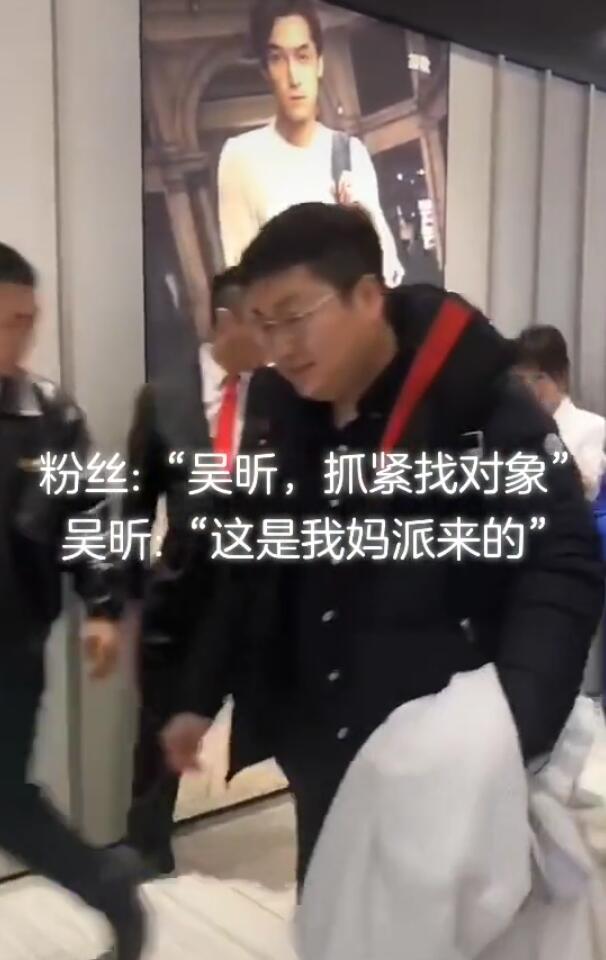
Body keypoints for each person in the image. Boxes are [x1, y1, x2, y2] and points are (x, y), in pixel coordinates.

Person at [162, 204, 604, 894]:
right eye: (264, 324)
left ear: (367, 297)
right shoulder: (282, 408)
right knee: (336, 919)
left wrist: (510, 729)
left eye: (295, 316)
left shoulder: (475, 403)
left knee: (434, 925)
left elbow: (561, 565)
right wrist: (198, 694)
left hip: (440, 753)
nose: (280, 346)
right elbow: (250, 558)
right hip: (320, 749)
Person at [0, 242, 145, 960]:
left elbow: (89, 516)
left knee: (5, 801)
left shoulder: (49, 415)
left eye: (27, 321)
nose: (20, 339)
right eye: (6, 322)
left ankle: (109, 888)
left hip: (10, 644)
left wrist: (105, 608)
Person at [124, 266, 277, 876]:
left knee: (284, 712)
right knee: (159, 726)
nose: (271, 338)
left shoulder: (282, 398)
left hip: (261, 584)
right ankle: (146, 848)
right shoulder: (164, 398)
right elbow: (135, 508)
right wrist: (126, 601)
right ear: (224, 321)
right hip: (183, 590)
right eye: (260, 323)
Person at [218, 0, 403, 287]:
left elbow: (388, 273)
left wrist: (361, 218)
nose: (293, 77)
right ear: (265, 71)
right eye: (278, 59)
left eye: (302, 56)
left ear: (319, 63)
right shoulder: (240, 157)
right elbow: (241, 281)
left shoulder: (349, 153)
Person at [514, 325, 606, 501]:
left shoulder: (593, 427)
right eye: (521, 380)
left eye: (539, 378)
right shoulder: (512, 428)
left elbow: (587, 488)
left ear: (561, 377)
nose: (529, 389)